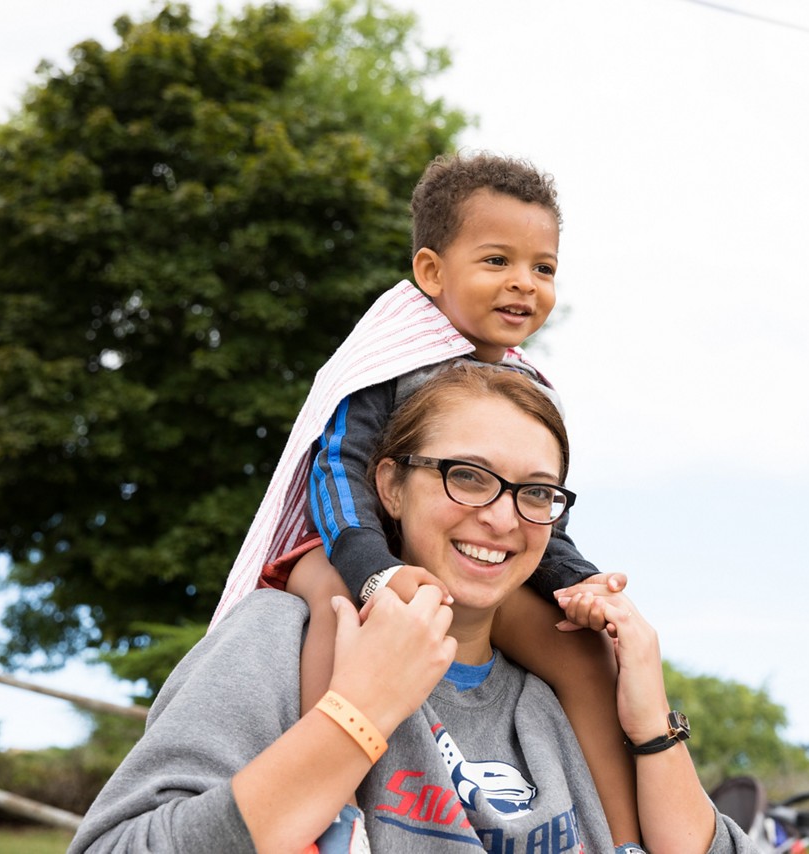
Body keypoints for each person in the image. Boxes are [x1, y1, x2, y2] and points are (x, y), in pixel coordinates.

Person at [70, 364, 755, 854]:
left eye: (537, 492)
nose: (501, 518)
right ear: (390, 486)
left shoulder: (566, 697)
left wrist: (651, 726)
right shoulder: (279, 641)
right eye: (468, 476)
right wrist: (355, 720)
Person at [209, 152, 639, 843]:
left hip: (472, 570)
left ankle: (625, 836)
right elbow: (337, 469)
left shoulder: (523, 388)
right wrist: (371, 567)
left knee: (586, 652)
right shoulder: (389, 355)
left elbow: (530, 514)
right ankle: (336, 816)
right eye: (497, 261)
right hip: (355, 546)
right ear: (432, 272)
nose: (524, 284)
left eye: (544, 267)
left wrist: (581, 586)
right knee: (336, 610)